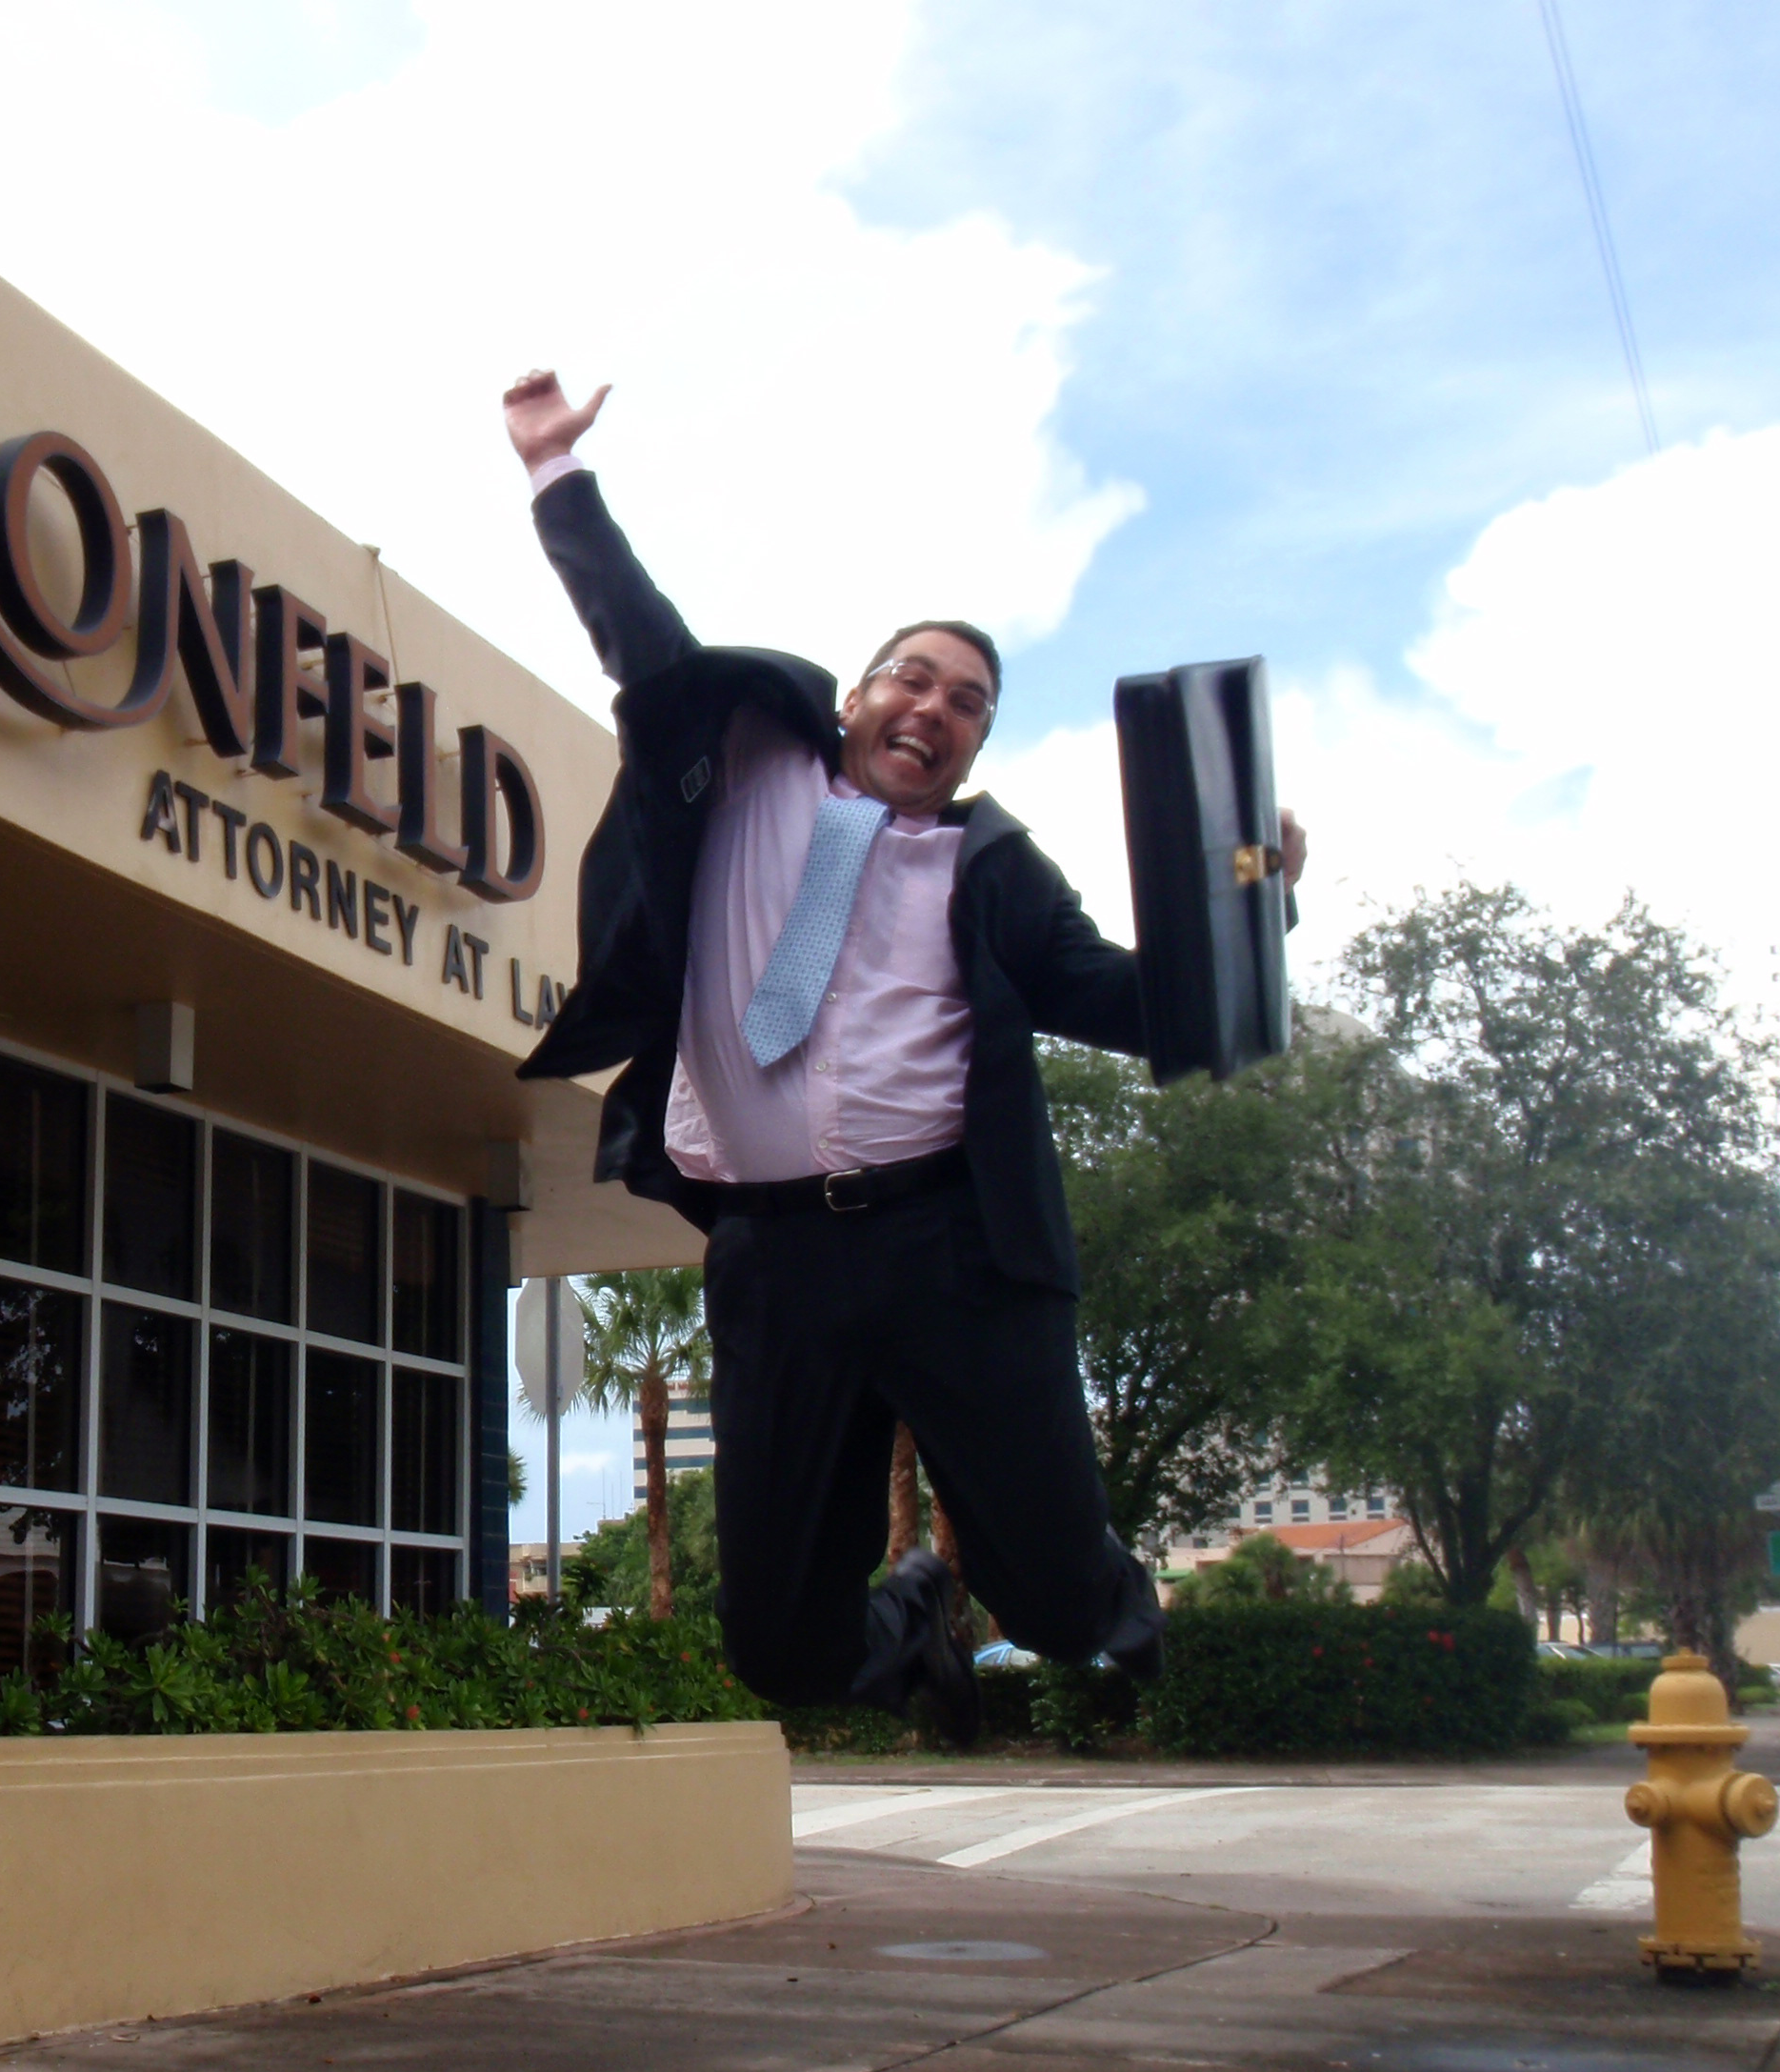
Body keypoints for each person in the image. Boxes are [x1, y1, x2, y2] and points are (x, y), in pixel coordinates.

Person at [501, 370, 1302, 1742]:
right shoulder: (751, 759)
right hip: (776, 1261)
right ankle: (910, 1615)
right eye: (916, 678)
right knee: (776, 1645)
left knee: (1058, 1605)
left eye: (971, 702)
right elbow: (638, 636)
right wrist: (555, 479)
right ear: (862, 693)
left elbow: (1138, 1004)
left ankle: (1091, 1598)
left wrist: (1252, 908)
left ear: (978, 740)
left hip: (953, 1255)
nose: (936, 708)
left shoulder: (990, 868)